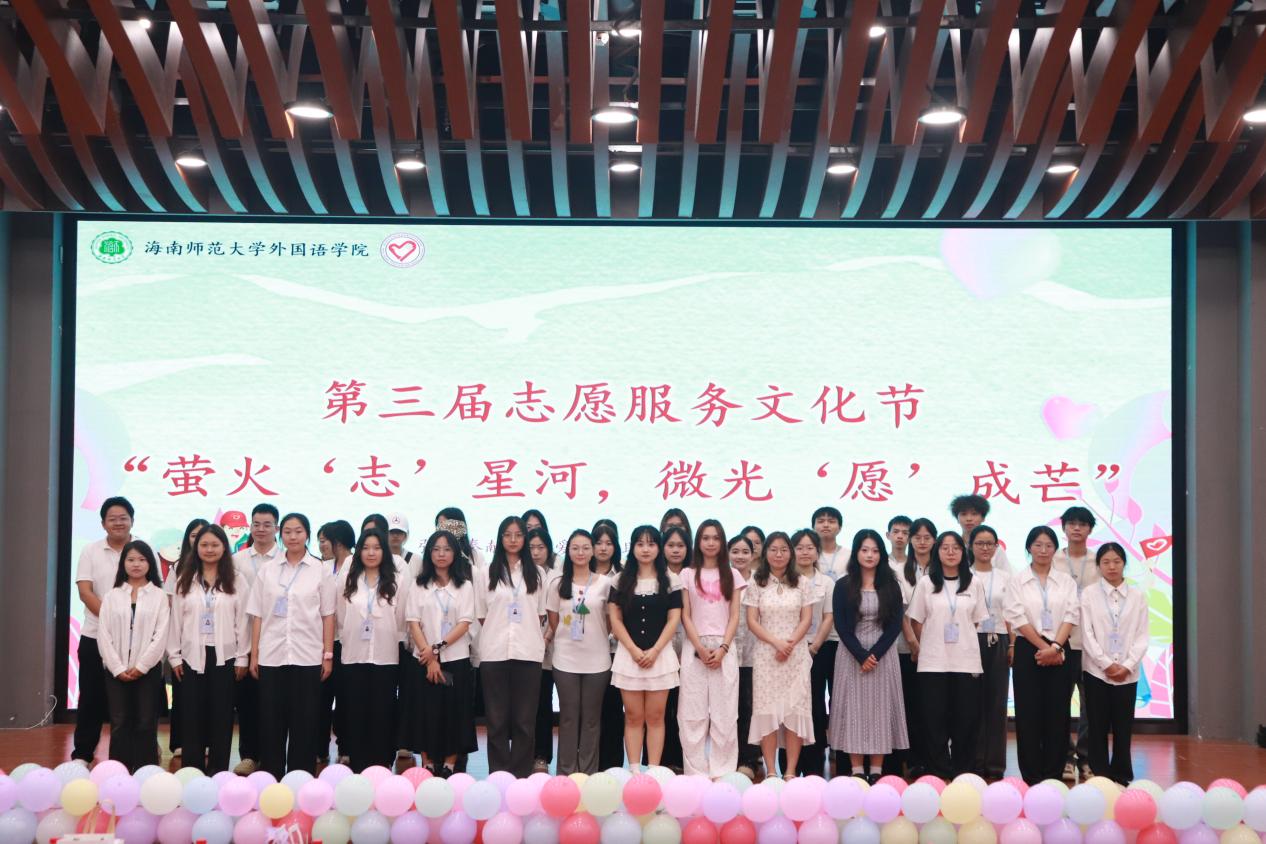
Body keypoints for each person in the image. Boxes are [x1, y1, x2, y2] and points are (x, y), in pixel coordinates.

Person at [247, 512, 335, 777]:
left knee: (304, 723)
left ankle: (300, 778)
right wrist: (254, 655)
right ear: (280, 534)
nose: (293, 536)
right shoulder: (268, 570)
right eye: (287, 531)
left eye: (298, 531)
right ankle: (271, 777)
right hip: (272, 656)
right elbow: (257, 615)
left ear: (307, 534)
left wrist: (327, 655)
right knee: (271, 722)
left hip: (307, 656)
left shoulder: (320, 570)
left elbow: (328, 615)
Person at [907, 532, 988, 778]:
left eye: (956, 548)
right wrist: (929, 643)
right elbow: (916, 621)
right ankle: (938, 771)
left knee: (966, 720)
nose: (951, 552)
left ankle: (963, 771)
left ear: (964, 552)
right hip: (933, 662)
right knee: (934, 721)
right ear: (937, 552)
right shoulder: (926, 583)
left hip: (966, 661)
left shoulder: (974, 583)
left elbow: (976, 621)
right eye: (945, 547)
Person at [829, 529, 906, 784]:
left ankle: (876, 770)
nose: (870, 555)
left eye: (875, 550)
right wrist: (861, 655)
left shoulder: (891, 585)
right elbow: (841, 625)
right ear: (856, 553)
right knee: (854, 709)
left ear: (881, 554)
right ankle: (856, 770)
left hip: (883, 655)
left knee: (879, 710)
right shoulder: (843, 585)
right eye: (864, 550)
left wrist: (874, 654)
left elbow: (895, 625)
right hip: (851, 654)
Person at [169, 525, 248, 773]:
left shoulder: (237, 579)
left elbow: (243, 621)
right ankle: (192, 773)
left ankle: (218, 773)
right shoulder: (185, 579)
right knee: (191, 716)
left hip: (225, 656)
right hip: (191, 656)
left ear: (224, 547)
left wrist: (242, 657)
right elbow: (175, 621)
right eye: (204, 545)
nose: (209, 549)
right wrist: (174, 656)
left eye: (215, 545)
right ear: (196, 548)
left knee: (221, 717)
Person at [1005, 526, 1079, 785]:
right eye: (1038, 545)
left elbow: (1072, 614)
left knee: (1058, 714)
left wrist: (1056, 647)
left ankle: (1053, 774)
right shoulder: (1017, 581)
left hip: (1060, 648)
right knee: (1028, 714)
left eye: (1049, 545)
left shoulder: (1066, 582)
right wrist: (1043, 647)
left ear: (1055, 549)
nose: (1043, 550)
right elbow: (1016, 617)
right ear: (1029, 548)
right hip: (1028, 648)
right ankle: (1032, 775)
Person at [477, 515, 547, 777]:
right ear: (500, 538)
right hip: (494, 652)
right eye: (508, 535)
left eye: (518, 535)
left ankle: (519, 778)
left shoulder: (537, 574)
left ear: (525, 538)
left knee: (524, 721)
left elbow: (540, 614)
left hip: (528, 652)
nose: (513, 539)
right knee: (496, 721)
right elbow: (482, 614)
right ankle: (498, 776)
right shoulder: (486, 573)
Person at [404, 530, 478, 778]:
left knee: (454, 711)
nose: (441, 554)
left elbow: (465, 622)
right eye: (436, 549)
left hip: (455, 658)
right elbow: (413, 622)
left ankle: (449, 763)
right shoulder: (418, 584)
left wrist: (437, 648)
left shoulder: (464, 585)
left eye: (447, 549)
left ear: (455, 553)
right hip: (423, 659)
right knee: (425, 711)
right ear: (429, 553)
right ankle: (426, 762)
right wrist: (428, 654)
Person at [608, 525, 682, 771]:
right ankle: (633, 770)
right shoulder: (620, 580)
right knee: (633, 716)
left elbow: (674, 619)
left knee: (656, 717)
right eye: (640, 544)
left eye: (651, 544)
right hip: (628, 657)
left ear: (658, 548)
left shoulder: (670, 580)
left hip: (660, 658)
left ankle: (653, 770)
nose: (645, 549)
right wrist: (633, 650)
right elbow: (615, 618)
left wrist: (655, 651)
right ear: (632, 548)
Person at [72, 496, 137, 764]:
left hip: (133, 638)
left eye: (123, 518)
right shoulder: (91, 551)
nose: (118, 523)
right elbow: (85, 591)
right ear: (103, 523)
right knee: (91, 697)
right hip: (95, 635)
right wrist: (111, 619)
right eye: (112, 519)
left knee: (134, 701)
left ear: (132, 521)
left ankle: (137, 752)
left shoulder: (143, 549)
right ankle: (83, 753)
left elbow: (154, 590)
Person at [743, 531, 814, 779]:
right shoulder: (756, 582)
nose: (779, 554)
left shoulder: (802, 582)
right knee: (767, 714)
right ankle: (772, 771)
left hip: (796, 656)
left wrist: (789, 644)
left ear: (790, 553)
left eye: (784, 549)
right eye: (773, 549)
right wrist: (776, 643)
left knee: (794, 713)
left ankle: (791, 771)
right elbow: (752, 621)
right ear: (765, 553)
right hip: (767, 655)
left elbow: (807, 618)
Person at [678, 519, 745, 777]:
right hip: (694, 647)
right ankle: (695, 772)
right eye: (705, 538)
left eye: (716, 538)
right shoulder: (687, 574)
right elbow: (685, 615)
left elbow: (735, 615)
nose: (710, 543)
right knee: (691, 714)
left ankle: (723, 772)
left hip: (724, 647)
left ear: (722, 542)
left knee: (725, 714)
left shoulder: (733, 575)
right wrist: (699, 647)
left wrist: (723, 648)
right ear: (698, 542)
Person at [336, 528, 405, 771]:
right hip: (353, 655)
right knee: (355, 712)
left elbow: (401, 619)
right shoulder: (348, 579)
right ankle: (358, 763)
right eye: (365, 548)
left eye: (376, 548)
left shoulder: (396, 581)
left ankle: (383, 762)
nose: (371, 553)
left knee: (383, 712)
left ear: (384, 551)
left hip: (385, 656)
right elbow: (341, 618)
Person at [97, 539, 169, 772]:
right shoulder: (112, 596)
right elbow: (103, 635)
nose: (136, 564)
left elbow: (161, 635)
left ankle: (146, 773)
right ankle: (118, 773)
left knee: (146, 722)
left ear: (150, 563)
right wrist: (117, 668)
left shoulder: (159, 596)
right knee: (119, 723)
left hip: (147, 670)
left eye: (142, 559)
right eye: (130, 559)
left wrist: (142, 666)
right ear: (123, 563)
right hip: (115, 671)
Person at [1079, 543, 1148, 785]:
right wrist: (1106, 664)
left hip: (1128, 674)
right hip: (1096, 672)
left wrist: (1127, 665)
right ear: (1098, 565)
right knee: (1097, 726)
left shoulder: (1137, 596)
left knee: (1123, 727)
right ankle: (1100, 775)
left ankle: (1122, 775)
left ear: (1124, 563)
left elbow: (1142, 635)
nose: (1111, 566)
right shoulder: (1089, 594)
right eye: (1106, 562)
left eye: (1117, 561)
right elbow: (1087, 634)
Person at [546, 529, 614, 774]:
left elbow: (609, 621)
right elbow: (554, 620)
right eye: (575, 548)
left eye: (586, 547)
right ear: (568, 551)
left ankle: (587, 773)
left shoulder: (605, 583)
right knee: (568, 717)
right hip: (565, 660)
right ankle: (566, 773)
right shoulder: (557, 584)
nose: (581, 552)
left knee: (591, 719)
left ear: (593, 551)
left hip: (598, 661)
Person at [231, 503, 283, 775]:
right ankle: (249, 755)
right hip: (243, 638)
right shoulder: (237, 560)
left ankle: (273, 757)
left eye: (267, 524)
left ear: (277, 528)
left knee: (274, 704)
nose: (261, 529)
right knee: (248, 702)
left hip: (276, 639)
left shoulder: (285, 559)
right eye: (256, 524)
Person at [884, 516, 935, 778]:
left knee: (927, 707)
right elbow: (900, 609)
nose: (921, 542)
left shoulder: (940, 567)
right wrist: (914, 643)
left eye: (927, 537)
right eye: (917, 537)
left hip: (936, 649)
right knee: (905, 704)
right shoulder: (898, 568)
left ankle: (925, 759)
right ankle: (904, 760)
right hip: (905, 648)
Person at [1052, 505, 1098, 781]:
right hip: (1062, 642)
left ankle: (1086, 758)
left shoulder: (1099, 560)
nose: (1077, 528)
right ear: (1064, 528)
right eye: (1071, 523)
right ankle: (1065, 758)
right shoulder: (1053, 559)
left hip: (1092, 644)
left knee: (1090, 708)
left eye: (1082, 524)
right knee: (1059, 703)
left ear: (1090, 529)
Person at [163, 517, 210, 760]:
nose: (199, 540)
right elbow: (170, 604)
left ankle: (207, 741)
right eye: (194, 536)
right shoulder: (178, 568)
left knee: (209, 697)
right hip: (183, 640)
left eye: (204, 536)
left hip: (213, 641)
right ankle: (180, 741)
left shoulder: (222, 567)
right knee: (183, 695)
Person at [969, 525, 1012, 781]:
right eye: (980, 543)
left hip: (999, 639)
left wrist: (1013, 645)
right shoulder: (964, 575)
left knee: (996, 704)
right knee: (971, 704)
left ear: (996, 547)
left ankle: (995, 765)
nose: (985, 548)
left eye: (990, 544)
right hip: (969, 641)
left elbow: (1012, 613)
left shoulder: (1006, 577)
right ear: (971, 546)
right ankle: (973, 762)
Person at [792, 528, 835, 777]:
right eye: (799, 548)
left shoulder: (826, 582)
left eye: (810, 548)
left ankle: (815, 765)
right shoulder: (784, 580)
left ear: (817, 552)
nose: (805, 552)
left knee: (816, 705)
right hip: (789, 649)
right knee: (793, 706)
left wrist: (815, 646)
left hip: (819, 649)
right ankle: (791, 763)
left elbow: (828, 616)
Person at [316, 520, 355, 766]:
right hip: (321, 641)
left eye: (324, 540)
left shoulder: (356, 565)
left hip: (348, 641)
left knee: (345, 698)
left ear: (337, 542)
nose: (321, 545)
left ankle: (345, 747)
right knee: (320, 697)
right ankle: (319, 747)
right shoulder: (322, 567)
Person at [654, 523, 692, 772]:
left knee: (683, 704)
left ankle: (679, 760)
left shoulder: (693, 574)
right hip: (660, 645)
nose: (676, 550)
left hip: (688, 643)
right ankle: (658, 761)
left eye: (680, 545)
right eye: (670, 545)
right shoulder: (654, 575)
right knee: (659, 708)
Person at [592, 519, 626, 770]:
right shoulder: (580, 572)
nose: (603, 548)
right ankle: (589, 763)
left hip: (616, 650)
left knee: (613, 709)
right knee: (590, 711)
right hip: (586, 651)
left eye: (609, 543)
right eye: (598, 542)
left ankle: (612, 766)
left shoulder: (624, 575)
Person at [527, 526, 558, 773]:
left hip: (553, 651)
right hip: (526, 651)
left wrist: (547, 637)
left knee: (545, 705)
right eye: (531, 548)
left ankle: (542, 756)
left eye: (541, 547)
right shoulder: (521, 576)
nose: (536, 552)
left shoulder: (557, 577)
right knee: (528, 707)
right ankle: (525, 754)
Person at [949, 495, 1010, 571]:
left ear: (983, 518)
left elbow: (1006, 574)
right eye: (964, 514)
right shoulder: (950, 547)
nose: (969, 519)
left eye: (974, 514)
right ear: (957, 518)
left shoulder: (995, 548)